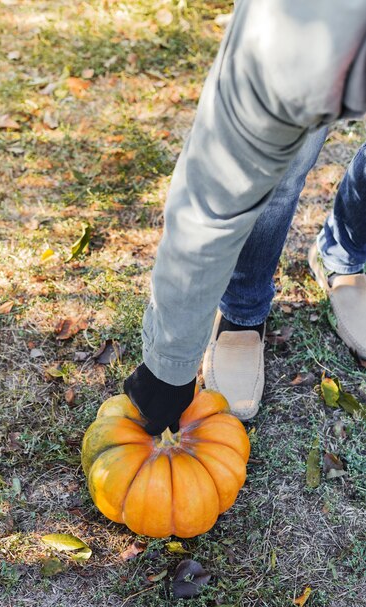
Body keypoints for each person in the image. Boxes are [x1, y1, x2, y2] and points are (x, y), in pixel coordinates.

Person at [123, 0, 366, 436]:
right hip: (315, 39)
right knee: (280, 170)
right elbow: (218, 195)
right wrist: (169, 368)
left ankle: (344, 255)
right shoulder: (295, 37)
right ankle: (243, 306)